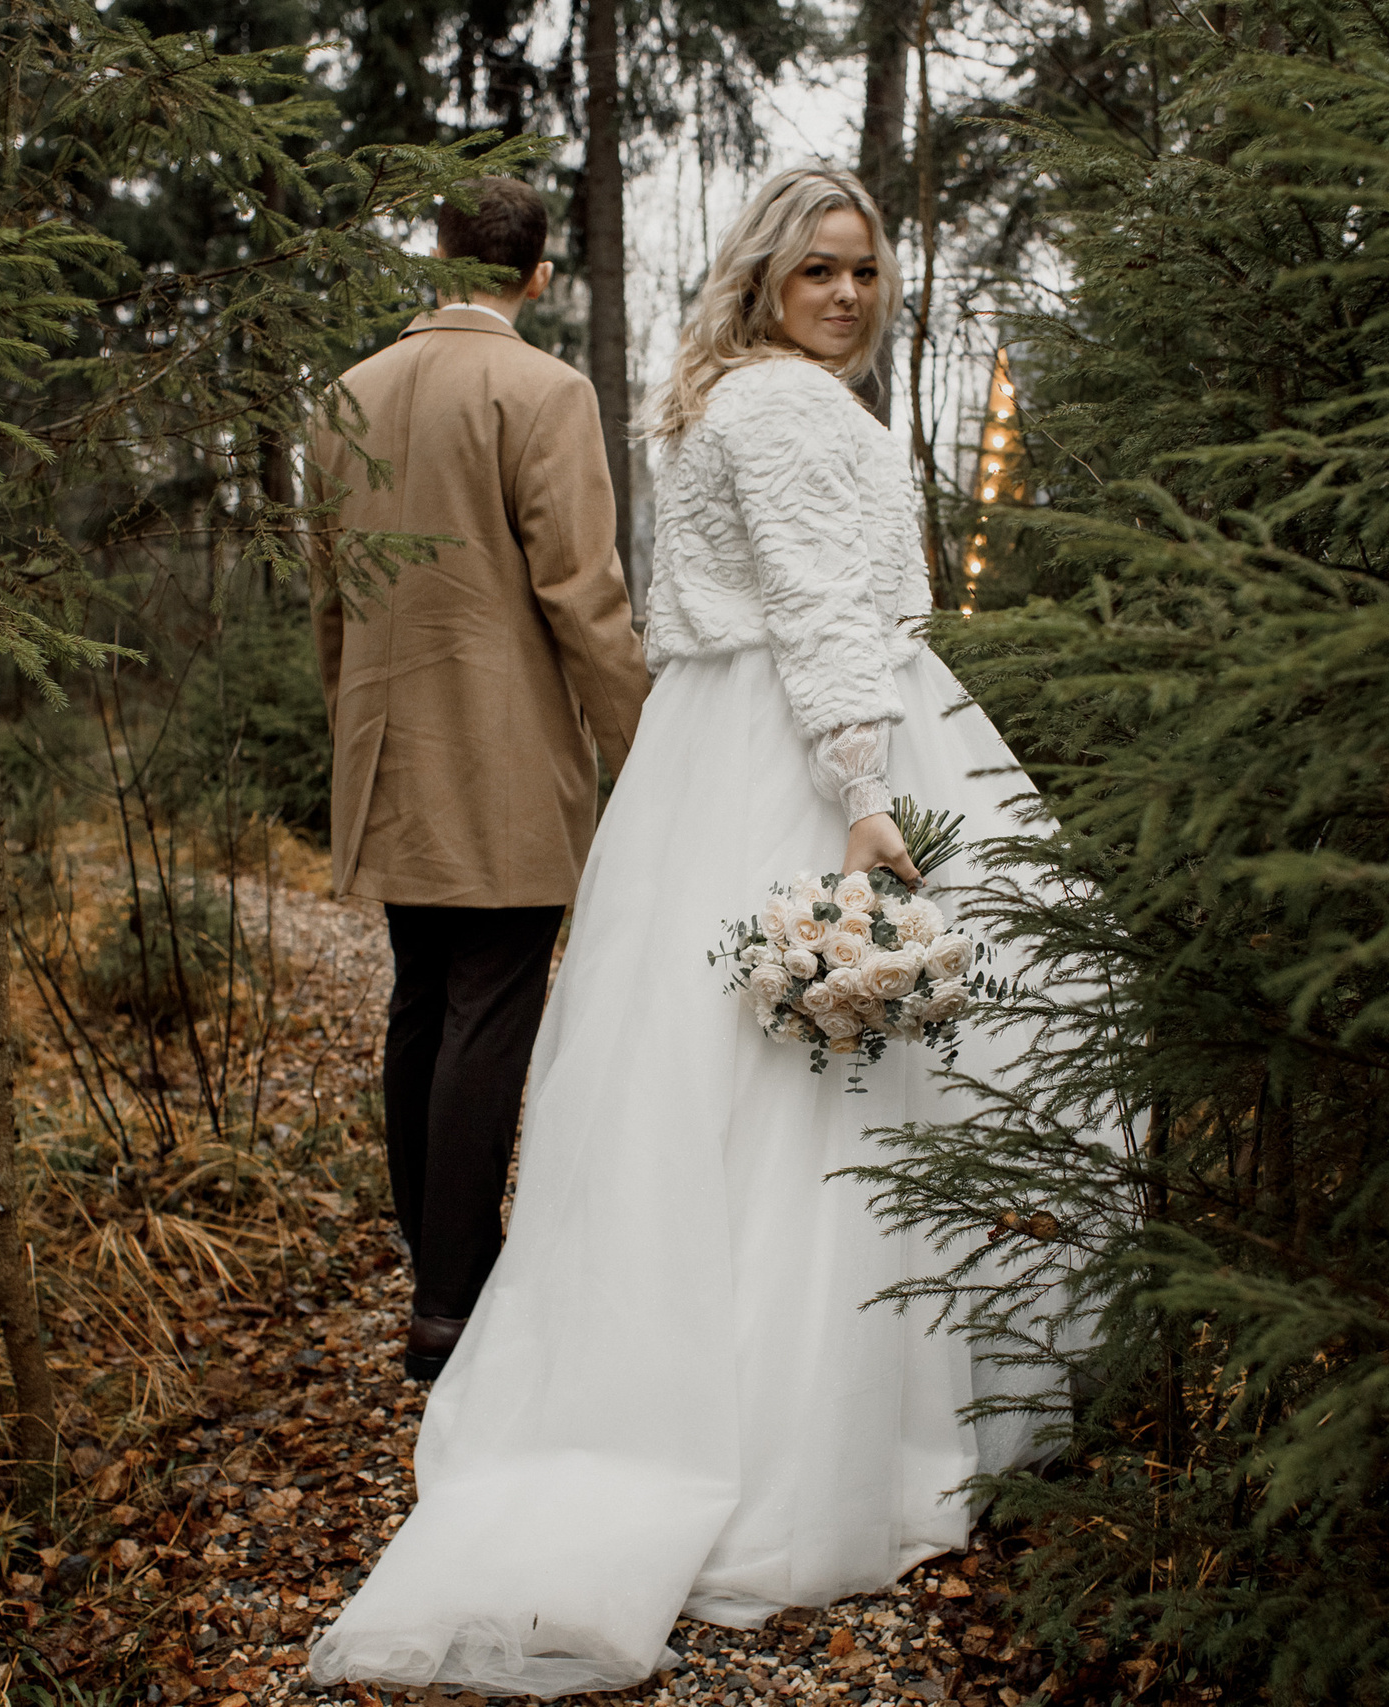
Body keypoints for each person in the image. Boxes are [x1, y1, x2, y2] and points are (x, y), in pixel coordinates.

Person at [309, 165, 1067, 1699]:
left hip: (591, 743)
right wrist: (853, 786)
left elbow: (351, 593)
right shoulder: (752, 405)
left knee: (612, 1055)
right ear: (764, 273)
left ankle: (477, 1297)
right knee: (800, 1076)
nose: (847, 292)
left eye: (864, 269)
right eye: (819, 268)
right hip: (779, 749)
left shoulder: (418, 392)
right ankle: (794, 1418)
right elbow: (767, 602)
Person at [305, 174, 648, 1383]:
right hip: (504, 762)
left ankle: (434, 1262)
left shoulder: (344, 395)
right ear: (538, 277)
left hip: (388, 748)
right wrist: (644, 747)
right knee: (488, 1011)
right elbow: (583, 596)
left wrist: (351, 729)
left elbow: (330, 599)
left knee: (421, 1000)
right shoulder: (545, 391)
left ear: (437, 258)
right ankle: (451, 1301)